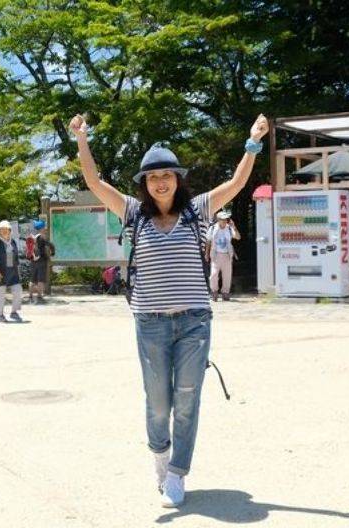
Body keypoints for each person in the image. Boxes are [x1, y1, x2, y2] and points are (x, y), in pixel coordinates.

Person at [70, 112, 268, 507]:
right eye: (153, 177)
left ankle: (178, 472)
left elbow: (237, 183)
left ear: (178, 179)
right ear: (144, 184)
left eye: (168, 175)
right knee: (158, 400)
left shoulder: (198, 210)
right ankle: (160, 456)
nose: (161, 182)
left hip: (194, 321)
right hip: (151, 323)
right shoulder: (133, 213)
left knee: (188, 396)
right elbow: (94, 182)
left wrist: (252, 142)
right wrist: (82, 140)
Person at [0, 220, 24, 323]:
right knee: (0, 294)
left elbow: (16, 259)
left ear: (10, 230)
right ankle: (0, 315)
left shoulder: (13, 242)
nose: (4, 231)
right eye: (2, 229)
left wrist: (18, 272)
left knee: (18, 290)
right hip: (1, 272)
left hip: (13, 272)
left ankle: (14, 312)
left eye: (6, 229)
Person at [206, 211, 241, 301]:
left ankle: (225, 292)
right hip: (215, 254)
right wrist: (206, 254)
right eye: (223, 219)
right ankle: (214, 292)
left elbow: (238, 237)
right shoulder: (213, 228)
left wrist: (234, 227)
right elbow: (208, 241)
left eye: (226, 219)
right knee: (213, 275)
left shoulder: (229, 228)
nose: (225, 221)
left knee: (227, 275)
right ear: (218, 220)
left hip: (227, 255)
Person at [28, 220, 55, 304]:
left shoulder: (31, 237)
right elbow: (50, 245)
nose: (45, 229)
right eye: (44, 227)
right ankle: (39, 296)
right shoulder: (42, 237)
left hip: (33, 261)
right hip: (42, 261)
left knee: (32, 279)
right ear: (41, 228)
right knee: (41, 280)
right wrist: (53, 252)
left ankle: (30, 295)